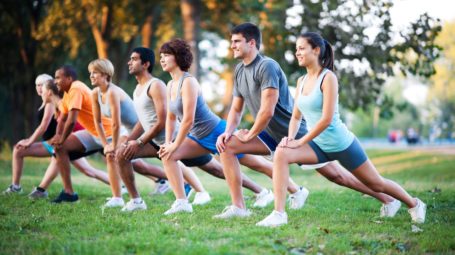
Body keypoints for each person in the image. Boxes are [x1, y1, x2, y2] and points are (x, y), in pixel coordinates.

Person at [216, 22, 397, 219]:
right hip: (268, 134)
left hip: (294, 133)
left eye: (236, 41)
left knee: (338, 176)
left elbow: (267, 111)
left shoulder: (266, 66)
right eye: (231, 41)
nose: (232, 45)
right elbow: (236, 109)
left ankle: (388, 198)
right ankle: (239, 208)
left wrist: (248, 135)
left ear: (251, 43)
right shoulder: (240, 71)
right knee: (227, 146)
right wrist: (228, 132)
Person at [257, 32, 426, 227]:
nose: (297, 53)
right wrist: (290, 139)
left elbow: (327, 119)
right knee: (281, 153)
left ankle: (414, 204)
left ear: (316, 50)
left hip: (342, 144)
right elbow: (296, 116)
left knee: (376, 183)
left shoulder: (328, 78)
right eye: (296, 49)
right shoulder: (301, 81)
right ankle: (279, 214)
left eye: (301, 48)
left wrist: (300, 141)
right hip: (319, 145)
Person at [158, 39, 281, 215]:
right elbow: (171, 118)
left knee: (258, 165)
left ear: (178, 57)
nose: (162, 59)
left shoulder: (189, 82)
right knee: (167, 155)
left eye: (167, 55)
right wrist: (168, 142)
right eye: (161, 56)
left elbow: (188, 120)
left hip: (217, 132)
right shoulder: (170, 85)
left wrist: (175, 144)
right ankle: (182, 202)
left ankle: (296, 190)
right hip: (197, 137)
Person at [3, 75, 110, 197]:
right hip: (57, 141)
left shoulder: (55, 103)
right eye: (37, 85)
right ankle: (38, 190)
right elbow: (61, 125)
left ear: (49, 91)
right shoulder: (53, 103)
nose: (39, 88)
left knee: (84, 168)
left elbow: (47, 125)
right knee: (78, 164)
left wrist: (30, 141)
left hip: (79, 139)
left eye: (41, 85)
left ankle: (42, 190)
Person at [49, 65, 115, 203]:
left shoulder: (76, 88)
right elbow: (63, 120)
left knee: (138, 165)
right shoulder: (67, 93)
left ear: (69, 78)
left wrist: (62, 138)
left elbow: (72, 121)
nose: (55, 82)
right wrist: (58, 136)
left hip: (109, 133)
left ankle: (162, 180)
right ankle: (69, 194)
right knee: (60, 148)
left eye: (58, 78)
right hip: (92, 133)